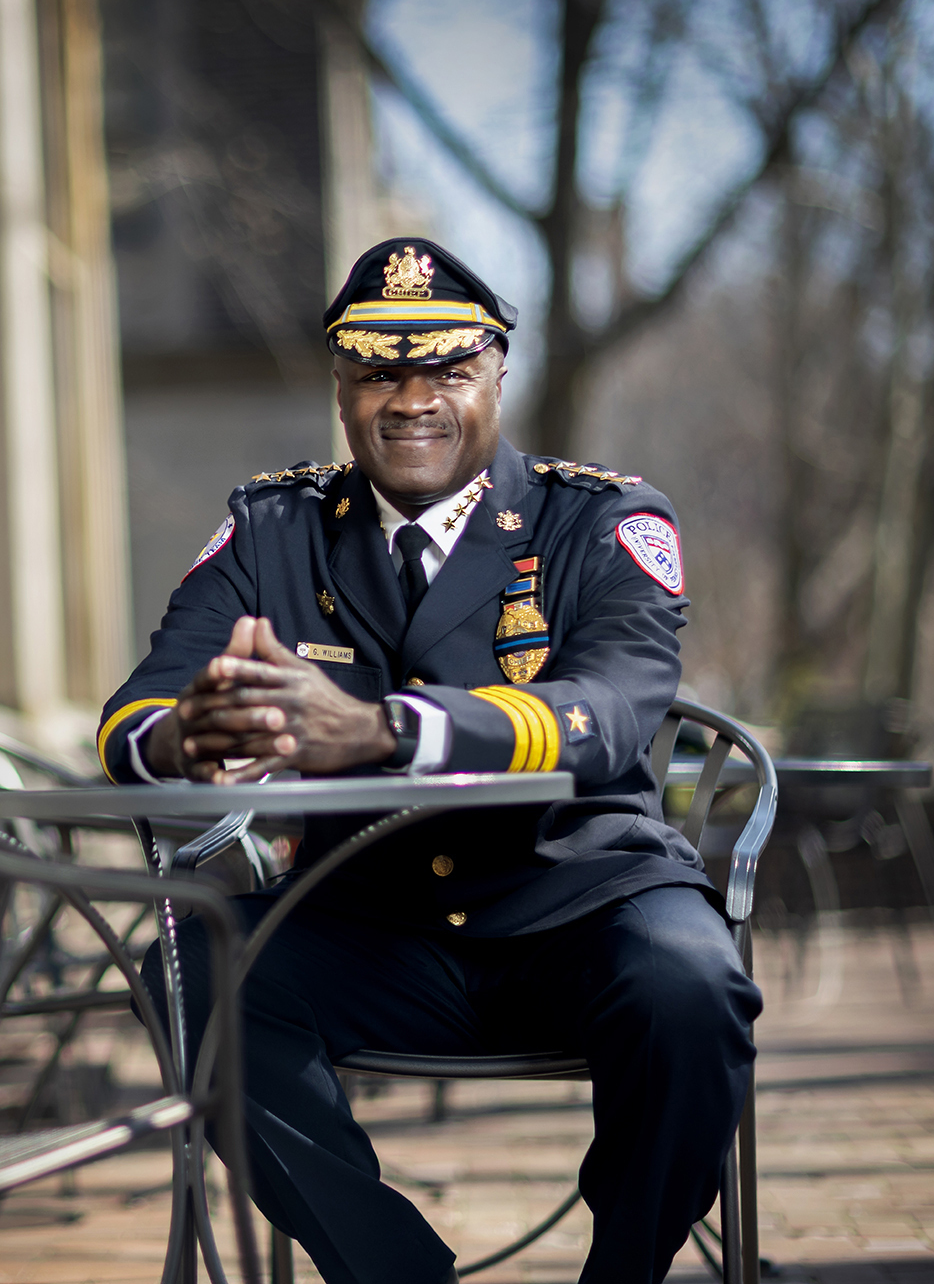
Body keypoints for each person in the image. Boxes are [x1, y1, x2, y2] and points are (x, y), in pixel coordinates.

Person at [97, 238, 761, 1284]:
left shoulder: (597, 517)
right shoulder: (273, 529)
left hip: (583, 899)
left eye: (447, 370)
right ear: (339, 385)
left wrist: (386, 729)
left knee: (688, 984)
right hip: (369, 917)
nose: (409, 401)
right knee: (188, 976)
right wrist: (193, 734)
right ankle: (394, 1271)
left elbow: (613, 708)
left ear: (499, 372)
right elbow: (133, 709)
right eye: (376, 373)